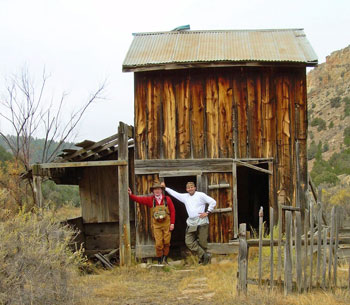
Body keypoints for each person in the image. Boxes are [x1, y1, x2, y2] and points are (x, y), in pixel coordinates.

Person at [161, 181, 216, 265]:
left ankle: (203, 261)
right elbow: (175, 194)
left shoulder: (200, 195)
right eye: (188, 188)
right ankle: (205, 255)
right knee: (189, 241)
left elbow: (213, 202)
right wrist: (165, 188)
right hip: (191, 222)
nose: (190, 189)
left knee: (202, 242)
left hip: (202, 222)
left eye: (191, 187)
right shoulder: (185, 197)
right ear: (186, 189)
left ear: (195, 188)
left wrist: (207, 212)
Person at [128, 182, 175, 264]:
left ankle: (165, 259)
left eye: (159, 189)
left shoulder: (167, 199)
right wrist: (131, 195)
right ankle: (160, 260)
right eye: (155, 189)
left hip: (167, 224)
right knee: (159, 244)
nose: (157, 191)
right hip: (157, 225)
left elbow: (173, 211)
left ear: (161, 190)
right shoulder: (150, 200)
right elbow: (139, 199)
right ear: (153, 191)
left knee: (167, 242)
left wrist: (172, 223)